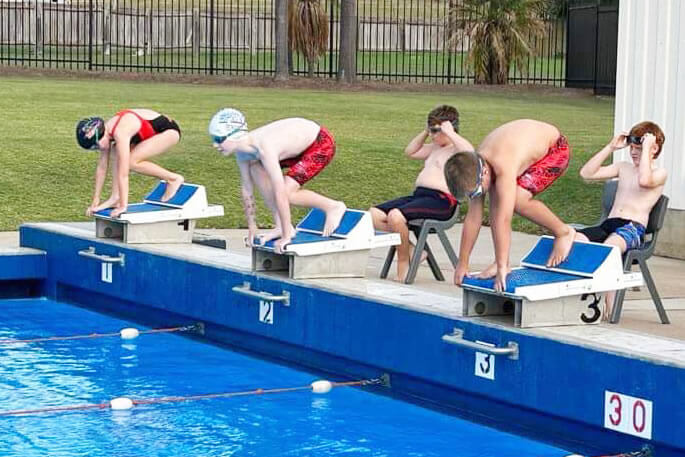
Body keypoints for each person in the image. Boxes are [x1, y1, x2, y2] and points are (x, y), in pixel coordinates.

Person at [444, 119, 575, 292]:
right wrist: (462, 263)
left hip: (555, 150)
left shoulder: (502, 165)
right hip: (521, 144)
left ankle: (563, 232)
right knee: (496, 197)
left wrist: (502, 269)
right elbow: (473, 218)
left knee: (517, 200)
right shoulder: (475, 166)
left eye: (475, 192)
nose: (477, 197)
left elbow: (503, 220)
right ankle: (500, 261)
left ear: (484, 173)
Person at [208, 108, 346, 253]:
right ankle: (280, 225)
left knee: (286, 193)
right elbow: (246, 190)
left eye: (218, 139)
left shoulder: (265, 148)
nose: (214, 145)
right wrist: (252, 228)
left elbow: (279, 191)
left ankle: (333, 206)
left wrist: (287, 237)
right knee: (256, 168)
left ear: (234, 136)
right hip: (293, 147)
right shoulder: (243, 153)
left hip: (319, 144)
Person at [369, 105, 473, 282]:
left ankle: (403, 263)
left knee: (395, 216)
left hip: (441, 201)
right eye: (430, 130)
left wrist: (451, 134)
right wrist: (425, 132)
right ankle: (410, 249)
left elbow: (470, 152)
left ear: (449, 129)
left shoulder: (456, 150)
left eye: (435, 131)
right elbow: (411, 151)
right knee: (373, 214)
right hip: (420, 196)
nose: (432, 135)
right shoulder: (434, 148)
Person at [576, 121, 667, 319]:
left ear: (654, 149)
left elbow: (644, 180)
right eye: (632, 148)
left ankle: (611, 308)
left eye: (639, 148)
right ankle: (576, 298)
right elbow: (586, 173)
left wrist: (647, 149)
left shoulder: (659, 174)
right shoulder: (623, 168)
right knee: (574, 240)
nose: (634, 152)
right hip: (609, 224)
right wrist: (611, 147)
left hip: (632, 229)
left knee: (610, 248)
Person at [75, 109, 183, 218]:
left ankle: (173, 179)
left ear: (100, 136)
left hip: (168, 131)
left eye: (96, 146)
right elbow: (102, 168)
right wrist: (95, 200)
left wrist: (123, 206)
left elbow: (123, 174)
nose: (98, 149)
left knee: (131, 162)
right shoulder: (106, 133)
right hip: (146, 133)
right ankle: (115, 197)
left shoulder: (120, 132)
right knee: (115, 149)